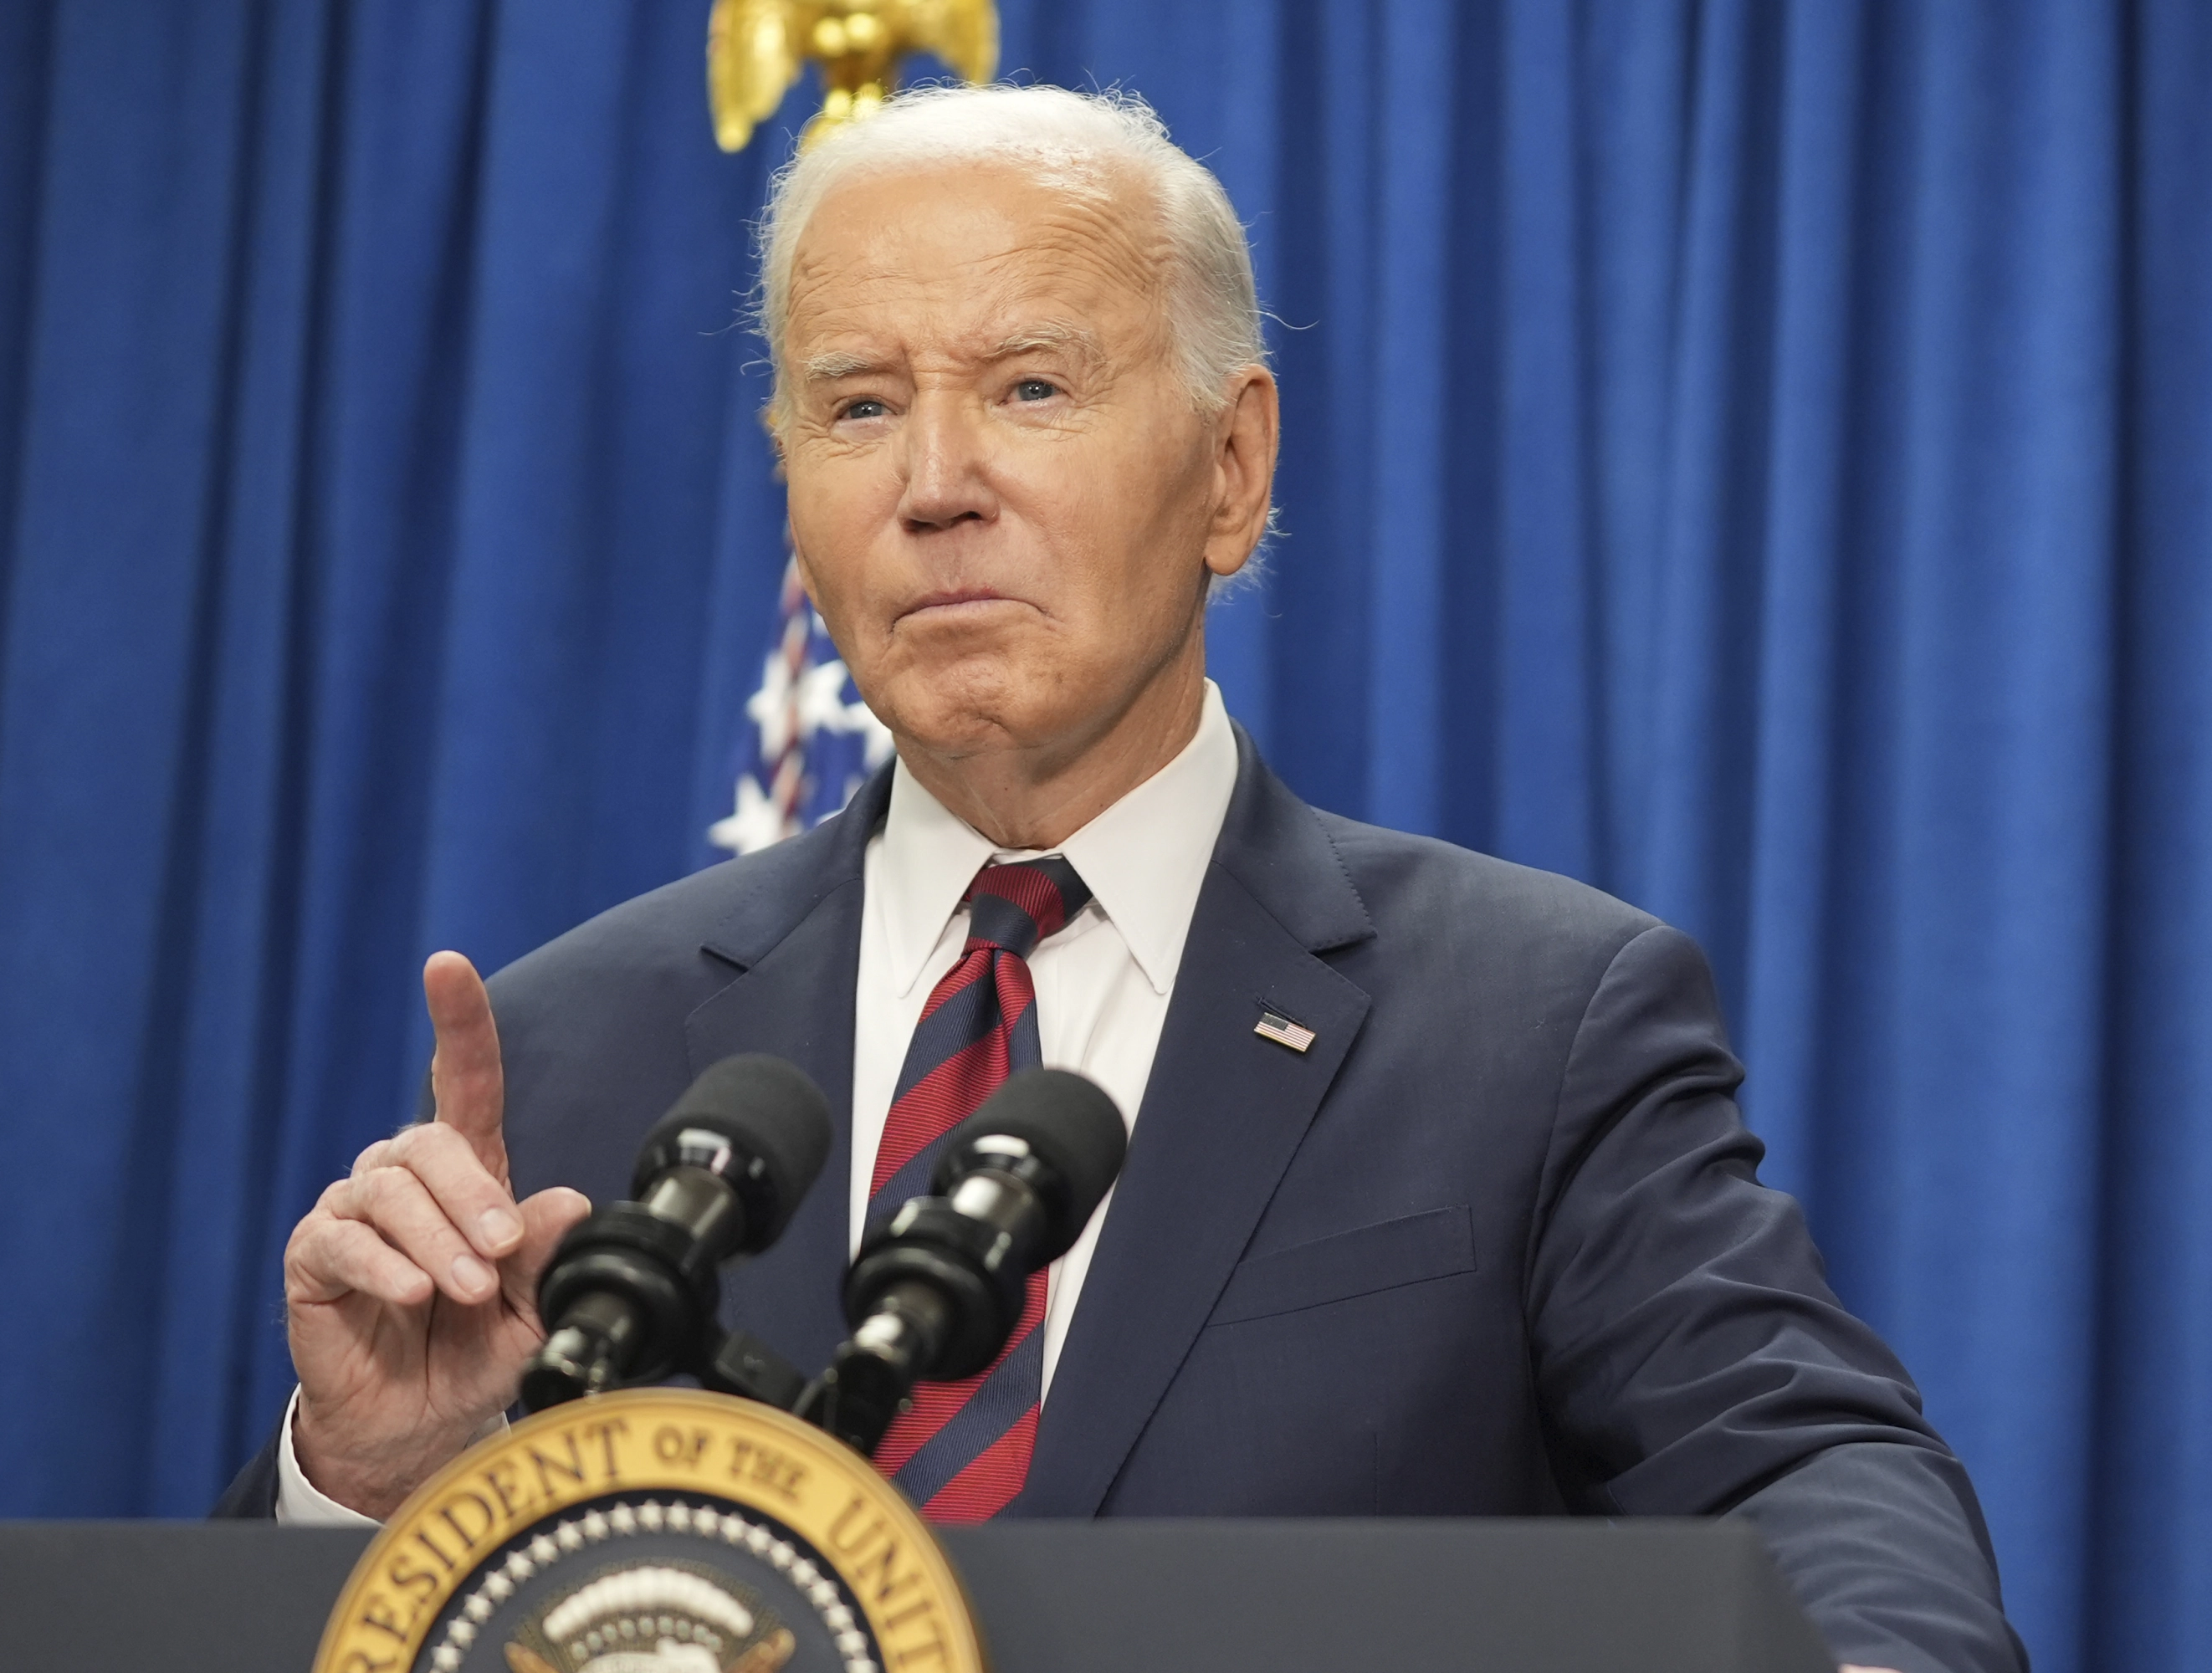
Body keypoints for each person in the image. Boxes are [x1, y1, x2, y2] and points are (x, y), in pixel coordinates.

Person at [213, 84, 2020, 1673]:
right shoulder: (574, 1046)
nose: (935, 483)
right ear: (791, 485)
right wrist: (357, 1482)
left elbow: (1809, 1467)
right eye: (856, 407)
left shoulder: (1537, 1023)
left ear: (1231, 468)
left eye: (1030, 385)